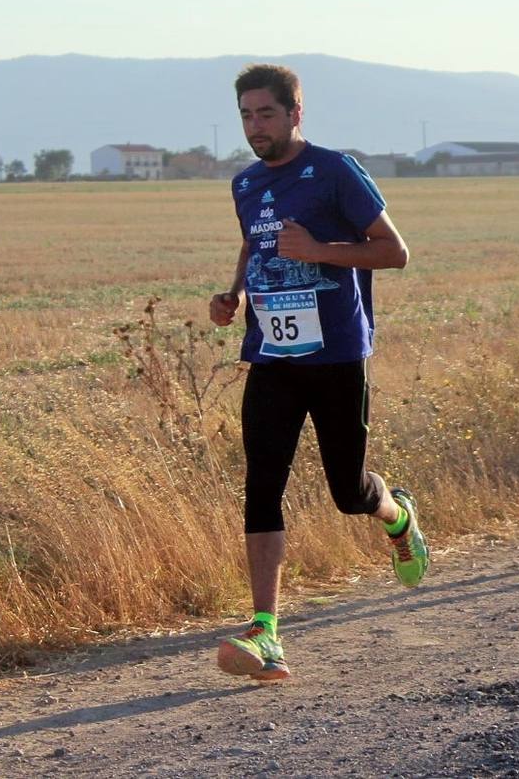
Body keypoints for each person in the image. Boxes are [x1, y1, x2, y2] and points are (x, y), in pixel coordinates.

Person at [210, 63, 427, 682]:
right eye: (247, 115)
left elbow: (395, 251)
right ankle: (266, 631)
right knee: (261, 482)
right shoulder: (246, 183)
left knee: (347, 492)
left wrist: (321, 253)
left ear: (295, 112)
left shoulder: (334, 169)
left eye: (267, 114)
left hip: (336, 355)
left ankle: (399, 516)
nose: (256, 126)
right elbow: (256, 242)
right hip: (272, 357)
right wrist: (232, 296)